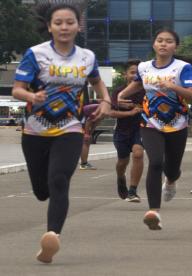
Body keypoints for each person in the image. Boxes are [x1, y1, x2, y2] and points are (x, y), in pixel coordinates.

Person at [12, 3, 111, 263]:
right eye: (58, 23)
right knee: (41, 191)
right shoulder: (35, 54)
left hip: (70, 129)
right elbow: (17, 90)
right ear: (49, 27)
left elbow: (97, 81)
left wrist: (105, 101)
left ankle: (52, 237)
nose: (64, 27)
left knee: (59, 180)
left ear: (78, 26)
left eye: (70, 22)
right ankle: (49, 220)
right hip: (35, 131)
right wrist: (33, 95)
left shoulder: (87, 57)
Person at [117, 28, 192, 230]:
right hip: (150, 122)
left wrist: (173, 87)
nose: (163, 44)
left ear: (175, 46)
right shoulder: (144, 67)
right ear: (154, 44)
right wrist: (121, 95)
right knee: (155, 162)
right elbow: (137, 84)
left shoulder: (183, 68)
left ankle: (171, 180)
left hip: (177, 124)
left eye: (169, 41)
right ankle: (154, 211)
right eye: (160, 40)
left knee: (172, 168)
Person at [110, 59, 145, 202]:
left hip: (141, 129)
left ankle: (132, 191)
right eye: (132, 72)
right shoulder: (118, 92)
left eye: (138, 73)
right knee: (122, 161)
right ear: (125, 75)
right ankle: (120, 177)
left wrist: (141, 109)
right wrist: (129, 113)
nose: (134, 75)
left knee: (138, 154)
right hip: (122, 131)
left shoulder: (146, 90)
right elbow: (110, 112)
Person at [79, 101, 102, 170]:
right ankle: (84, 164)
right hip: (81, 117)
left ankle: (84, 163)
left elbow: (96, 122)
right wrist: (86, 134)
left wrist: (90, 133)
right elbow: (89, 120)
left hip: (84, 118)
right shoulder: (102, 108)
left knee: (87, 140)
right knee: (86, 141)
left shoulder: (105, 110)